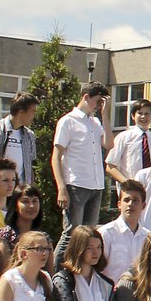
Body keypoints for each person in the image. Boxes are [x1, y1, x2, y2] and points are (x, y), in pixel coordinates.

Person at [52, 82, 109, 234]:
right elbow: (56, 157)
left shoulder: (95, 122)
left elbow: (109, 144)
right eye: (98, 101)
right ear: (86, 97)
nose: (99, 105)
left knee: (88, 234)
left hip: (96, 185)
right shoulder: (68, 121)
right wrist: (61, 188)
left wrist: (105, 115)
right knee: (72, 233)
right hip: (76, 184)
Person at [52, 224, 113, 301]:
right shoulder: (63, 281)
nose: (96, 252)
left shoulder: (106, 283)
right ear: (78, 249)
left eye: (99, 247)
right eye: (90, 248)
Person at [99, 179, 149, 285]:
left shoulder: (148, 237)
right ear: (119, 204)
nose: (130, 204)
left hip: (140, 292)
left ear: (143, 206)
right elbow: (97, 269)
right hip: (112, 292)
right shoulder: (106, 233)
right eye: (126, 200)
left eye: (135, 200)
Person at [106, 98, 151, 195]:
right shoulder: (123, 137)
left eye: (147, 114)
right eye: (140, 113)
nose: (143, 117)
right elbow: (110, 166)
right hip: (129, 190)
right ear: (133, 116)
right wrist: (127, 183)